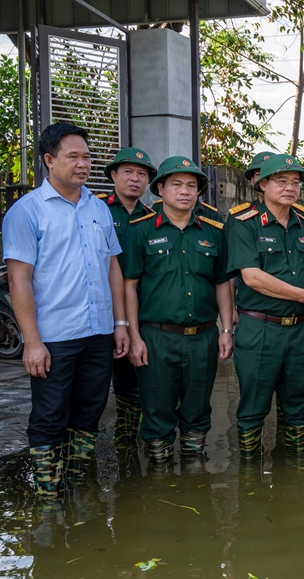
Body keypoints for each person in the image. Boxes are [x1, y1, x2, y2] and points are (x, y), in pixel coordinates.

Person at [2, 122, 129, 497]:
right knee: (49, 418)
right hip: (54, 336)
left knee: (90, 411)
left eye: (87, 157)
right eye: (73, 156)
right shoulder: (26, 212)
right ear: (48, 160)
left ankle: (77, 487)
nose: (83, 164)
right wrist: (32, 342)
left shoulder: (98, 208)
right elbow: (18, 280)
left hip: (98, 332)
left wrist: (120, 323)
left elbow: (113, 267)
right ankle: (47, 496)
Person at [122, 156, 234, 463]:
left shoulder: (213, 230)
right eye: (176, 184)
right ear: (160, 188)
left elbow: (223, 283)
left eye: (191, 185)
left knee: (198, 409)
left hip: (203, 337)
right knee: (157, 411)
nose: (184, 191)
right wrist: (134, 336)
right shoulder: (140, 230)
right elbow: (129, 285)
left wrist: (226, 330)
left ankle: (193, 474)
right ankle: (160, 480)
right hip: (157, 337)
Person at [228, 154, 304, 458]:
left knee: (297, 406)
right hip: (260, 328)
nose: (290, 187)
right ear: (263, 184)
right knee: (252, 409)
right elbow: (252, 278)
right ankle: (251, 485)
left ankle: (296, 483)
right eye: (281, 181)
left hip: (301, 330)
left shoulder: (303, 224)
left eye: (296, 182)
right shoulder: (244, 224)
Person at [97, 147, 158, 448]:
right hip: (99, 311)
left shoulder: (152, 218)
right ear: (113, 175)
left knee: (131, 378)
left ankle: (125, 441)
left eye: (142, 174)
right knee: (93, 383)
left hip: (138, 312)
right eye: (128, 172)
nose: (135, 179)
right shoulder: (97, 211)